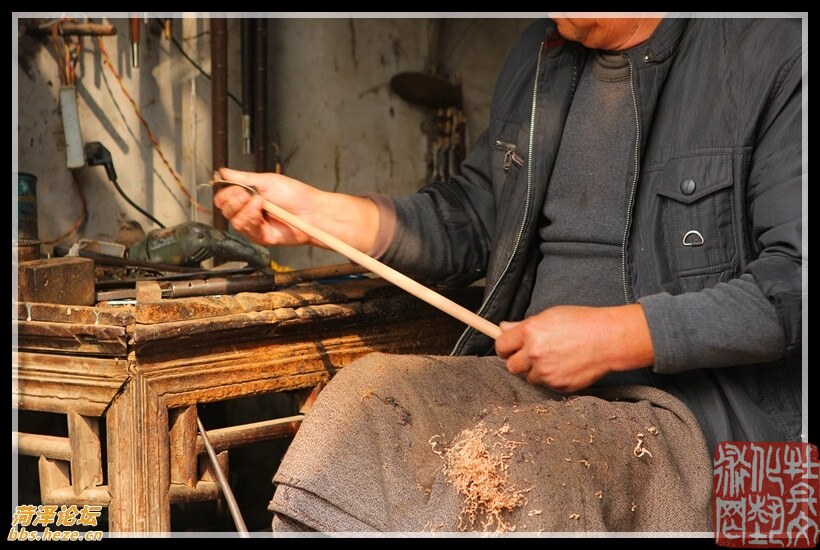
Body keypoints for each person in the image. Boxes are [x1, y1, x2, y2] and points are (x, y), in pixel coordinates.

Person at [214, 14, 803, 533]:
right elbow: (475, 218)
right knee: (367, 405)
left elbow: (795, 285)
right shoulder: (539, 54)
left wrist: (615, 337)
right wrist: (319, 215)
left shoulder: (775, 50)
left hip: (709, 422)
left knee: (517, 464)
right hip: (540, 391)